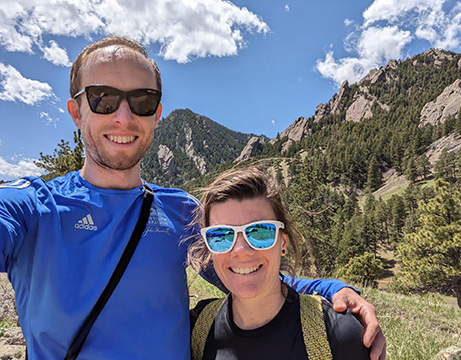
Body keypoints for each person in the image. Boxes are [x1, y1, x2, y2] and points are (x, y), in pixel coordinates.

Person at [0, 36, 385, 359]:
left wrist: (334, 292)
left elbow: (249, 272)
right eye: (103, 98)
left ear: (157, 115)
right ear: (75, 111)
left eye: (142, 101)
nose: (123, 116)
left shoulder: (179, 211)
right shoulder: (33, 209)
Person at [189, 167, 372, 359]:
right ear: (209, 248)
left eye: (260, 232)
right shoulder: (199, 331)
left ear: (283, 242)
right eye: (221, 236)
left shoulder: (337, 334)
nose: (240, 250)